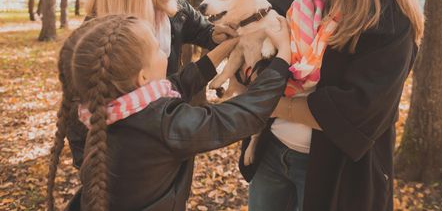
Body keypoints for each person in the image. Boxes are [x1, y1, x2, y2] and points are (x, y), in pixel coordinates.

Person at [241, 0, 424, 211]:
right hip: (271, 158)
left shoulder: (390, 24)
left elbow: (351, 112)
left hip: (337, 179)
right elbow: (249, 52)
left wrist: (267, 101)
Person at [46, 14, 291, 210]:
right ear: (142, 77)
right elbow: (239, 116)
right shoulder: (163, 125)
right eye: (157, 49)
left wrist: (226, 47)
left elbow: (177, 85)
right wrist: (282, 61)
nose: (164, 53)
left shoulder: (99, 110)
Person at [67, 0, 238, 169]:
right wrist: (94, 169)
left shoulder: (173, 6)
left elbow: (202, 30)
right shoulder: (96, 35)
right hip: (127, 164)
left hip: (168, 138)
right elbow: (76, 116)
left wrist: (213, 33)